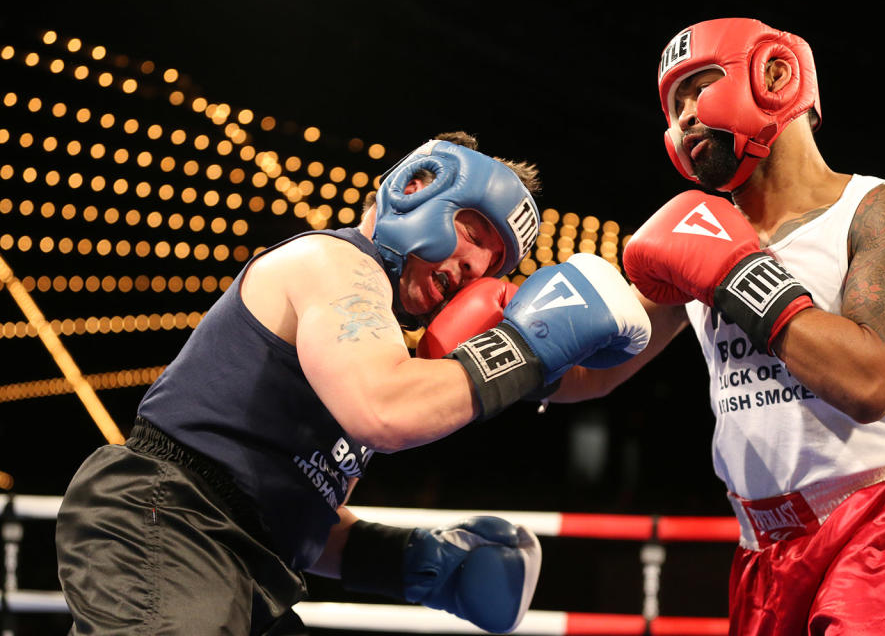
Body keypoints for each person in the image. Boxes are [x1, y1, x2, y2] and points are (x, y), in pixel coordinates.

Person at [420, 19, 885, 634]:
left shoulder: (882, 210)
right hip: (761, 546)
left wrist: (739, 277)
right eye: (672, 110)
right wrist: (505, 349)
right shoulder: (700, 241)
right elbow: (591, 374)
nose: (682, 121)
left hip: (875, 525)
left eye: (695, 92)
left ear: (774, 75)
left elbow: (869, 383)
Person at [54, 131, 653, 635]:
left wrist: (678, 290)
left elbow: (281, 506)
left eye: (494, 262)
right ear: (415, 187)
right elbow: (385, 412)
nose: (475, 266)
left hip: (245, 561)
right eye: (474, 232)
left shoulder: (379, 342)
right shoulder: (338, 266)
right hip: (165, 522)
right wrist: (523, 343)